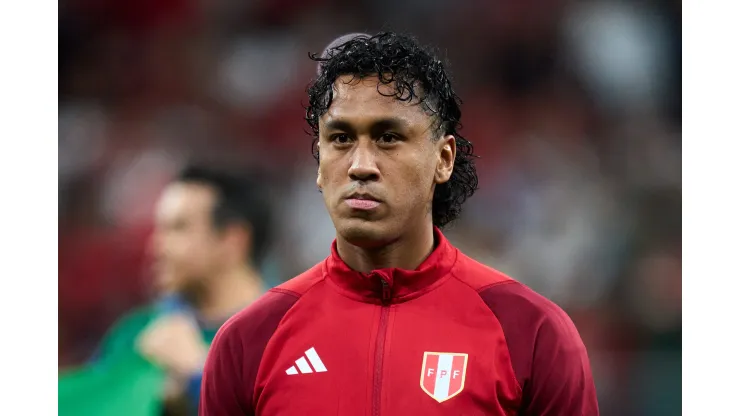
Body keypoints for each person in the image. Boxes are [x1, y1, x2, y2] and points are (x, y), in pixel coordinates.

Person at [200, 32, 599, 415]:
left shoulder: (530, 333)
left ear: (443, 159)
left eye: (388, 137)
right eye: (340, 138)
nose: (360, 166)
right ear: (319, 162)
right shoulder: (250, 340)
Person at [59, 165, 273, 416]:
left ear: (232, 241)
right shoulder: (136, 334)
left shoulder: (288, 336)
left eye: (178, 228)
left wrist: (200, 375)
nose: (156, 245)